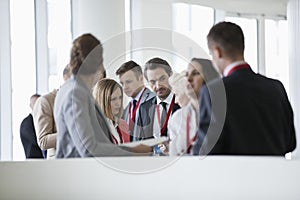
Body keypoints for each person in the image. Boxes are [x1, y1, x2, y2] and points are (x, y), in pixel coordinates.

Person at [193, 21, 296, 155]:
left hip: (233, 174)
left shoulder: (214, 91)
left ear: (217, 52)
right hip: (275, 174)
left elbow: (206, 150)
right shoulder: (276, 87)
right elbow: (290, 143)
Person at [54, 33, 151, 158]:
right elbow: (88, 148)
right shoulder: (76, 93)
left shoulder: (70, 89)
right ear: (98, 64)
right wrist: (133, 151)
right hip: (78, 172)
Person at [168, 58, 220, 156]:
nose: (188, 79)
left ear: (209, 78)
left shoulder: (221, 115)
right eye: (187, 74)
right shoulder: (178, 118)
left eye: (195, 73)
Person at [135, 57, 181, 140]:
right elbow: (141, 143)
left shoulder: (183, 104)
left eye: (162, 79)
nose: (158, 86)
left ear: (170, 75)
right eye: (152, 82)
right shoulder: (143, 109)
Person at [32, 64, 71, 159]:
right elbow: (43, 141)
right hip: (59, 164)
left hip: (84, 163)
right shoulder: (46, 101)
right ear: (66, 78)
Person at [115, 60, 155, 141]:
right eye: (122, 83)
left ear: (141, 79)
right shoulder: (126, 109)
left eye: (128, 82)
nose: (125, 87)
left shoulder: (155, 101)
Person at [93, 78, 130, 144]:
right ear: (102, 101)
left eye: (120, 97)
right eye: (113, 99)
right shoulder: (94, 128)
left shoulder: (123, 125)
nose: (118, 103)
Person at [20, 94, 44, 159]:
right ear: (30, 105)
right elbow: (37, 141)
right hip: (33, 162)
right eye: (35, 103)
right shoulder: (26, 123)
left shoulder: (42, 120)